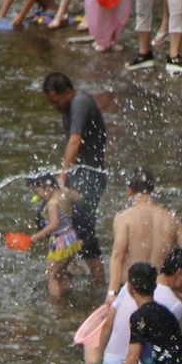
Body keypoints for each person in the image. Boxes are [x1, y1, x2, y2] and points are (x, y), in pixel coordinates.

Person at [93, 248, 182, 364]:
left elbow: (107, 325)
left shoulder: (128, 287)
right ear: (181, 274)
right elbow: (163, 350)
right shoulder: (175, 305)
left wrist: (99, 361)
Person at [43, 72, 109, 284]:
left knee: (82, 221)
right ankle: (69, 266)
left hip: (91, 175)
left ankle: (98, 278)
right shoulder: (71, 104)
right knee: (48, 213)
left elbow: (75, 141)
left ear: (68, 92)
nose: (56, 106)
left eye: (57, 101)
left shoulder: (79, 103)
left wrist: (62, 175)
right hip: (79, 174)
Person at [106, 169, 182, 298]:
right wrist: (179, 289)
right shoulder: (172, 219)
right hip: (161, 290)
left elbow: (118, 255)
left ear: (129, 191)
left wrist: (112, 293)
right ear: (152, 190)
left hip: (131, 289)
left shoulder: (124, 217)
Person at [26, 173, 82, 301]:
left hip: (61, 242)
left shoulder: (51, 204)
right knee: (61, 272)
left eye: (37, 192)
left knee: (51, 276)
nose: (37, 196)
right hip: (71, 238)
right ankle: (68, 295)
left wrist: (37, 236)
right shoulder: (64, 192)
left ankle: (55, 303)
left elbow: (54, 224)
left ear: (47, 187)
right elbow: (78, 197)